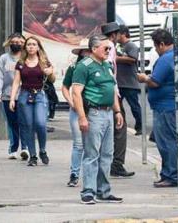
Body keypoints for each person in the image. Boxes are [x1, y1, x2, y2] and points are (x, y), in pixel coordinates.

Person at [72, 35, 124, 204]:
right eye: (105, 48)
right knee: (92, 154)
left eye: (110, 48)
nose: (109, 51)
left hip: (108, 112)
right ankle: (88, 191)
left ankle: (103, 191)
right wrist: (82, 117)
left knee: (107, 154)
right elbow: (76, 93)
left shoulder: (107, 66)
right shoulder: (83, 66)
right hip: (94, 113)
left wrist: (117, 111)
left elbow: (112, 89)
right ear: (94, 49)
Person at [138, 29, 178, 188]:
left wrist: (143, 78)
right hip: (173, 104)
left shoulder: (167, 59)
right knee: (171, 140)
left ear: (161, 44)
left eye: (155, 46)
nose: (155, 50)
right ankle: (168, 173)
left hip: (167, 107)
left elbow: (155, 81)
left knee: (167, 142)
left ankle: (171, 175)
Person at [10, 36, 55, 166]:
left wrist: (50, 72)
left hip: (40, 94)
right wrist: (13, 98)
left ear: (38, 47)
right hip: (24, 95)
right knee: (28, 125)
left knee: (40, 123)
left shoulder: (44, 61)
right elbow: (16, 82)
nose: (31, 47)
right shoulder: (21, 63)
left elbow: (52, 79)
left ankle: (42, 150)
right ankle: (33, 155)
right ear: (25, 47)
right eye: (28, 44)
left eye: (34, 44)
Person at [101, 22, 134, 178]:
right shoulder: (110, 47)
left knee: (110, 127)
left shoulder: (102, 45)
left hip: (106, 92)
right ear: (114, 35)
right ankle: (116, 164)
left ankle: (108, 163)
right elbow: (109, 72)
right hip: (111, 93)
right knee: (120, 128)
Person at [0, 33, 29, 160]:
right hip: (7, 96)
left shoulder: (27, 58)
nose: (17, 44)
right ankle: (13, 149)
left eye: (20, 42)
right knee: (12, 123)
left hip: (25, 96)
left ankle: (25, 148)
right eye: (14, 41)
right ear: (9, 43)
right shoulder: (4, 58)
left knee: (24, 122)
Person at [61, 39, 91, 187]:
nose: (87, 53)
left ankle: (90, 175)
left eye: (89, 50)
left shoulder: (100, 66)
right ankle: (74, 174)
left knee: (92, 144)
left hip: (93, 108)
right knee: (78, 144)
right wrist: (71, 102)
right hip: (76, 109)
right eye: (85, 51)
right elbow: (65, 87)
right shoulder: (74, 67)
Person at [116, 25, 142, 136]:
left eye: (117, 34)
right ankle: (120, 125)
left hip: (130, 83)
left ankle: (140, 126)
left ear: (123, 34)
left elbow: (133, 59)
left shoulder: (131, 45)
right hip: (120, 83)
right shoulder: (119, 46)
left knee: (134, 106)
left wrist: (117, 58)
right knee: (118, 107)